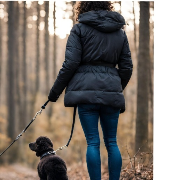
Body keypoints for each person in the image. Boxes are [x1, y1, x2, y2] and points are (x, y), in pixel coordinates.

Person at [48, 1, 133, 180]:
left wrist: (55, 92)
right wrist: (115, 88)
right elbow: (127, 68)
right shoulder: (120, 33)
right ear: (107, 6)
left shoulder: (79, 30)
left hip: (86, 95)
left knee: (93, 142)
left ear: (84, 7)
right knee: (112, 142)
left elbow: (70, 64)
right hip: (111, 93)